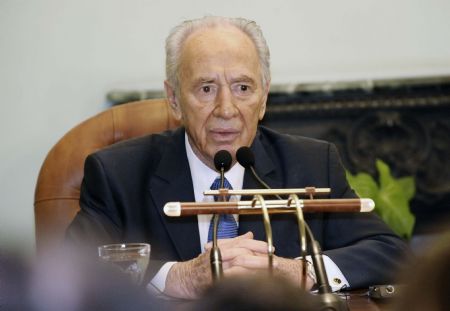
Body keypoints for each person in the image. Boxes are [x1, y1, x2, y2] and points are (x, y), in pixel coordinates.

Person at [66, 16, 408, 299]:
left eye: (243, 88)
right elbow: (71, 266)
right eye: (206, 88)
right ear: (173, 99)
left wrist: (303, 272)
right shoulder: (117, 173)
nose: (226, 110)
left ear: (263, 98)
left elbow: (389, 250)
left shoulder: (312, 164)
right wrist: (176, 278)